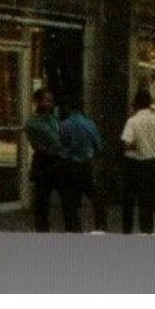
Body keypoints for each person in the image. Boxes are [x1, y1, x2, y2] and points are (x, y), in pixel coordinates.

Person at [120, 88, 155, 234]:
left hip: (141, 165)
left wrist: (138, 145)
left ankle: (146, 233)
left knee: (144, 204)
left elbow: (125, 144)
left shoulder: (133, 121)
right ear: (150, 103)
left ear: (135, 103)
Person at [24, 87, 68, 233]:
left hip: (58, 161)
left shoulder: (53, 118)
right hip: (44, 163)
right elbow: (39, 144)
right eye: (46, 100)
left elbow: (59, 136)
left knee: (67, 198)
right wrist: (54, 150)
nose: (50, 104)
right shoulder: (33, 123)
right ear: (38, 102)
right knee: (42, 202)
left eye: (51, 101)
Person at [59, 96, 105, 232]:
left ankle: (74, 229)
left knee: (70, 201)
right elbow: (99, 146)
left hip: (69, 165)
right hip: (85, 165)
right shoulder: (90, 124)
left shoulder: (63, 125)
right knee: (96, 198)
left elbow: (58, 146)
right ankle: (100, 226)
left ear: (68, 108)